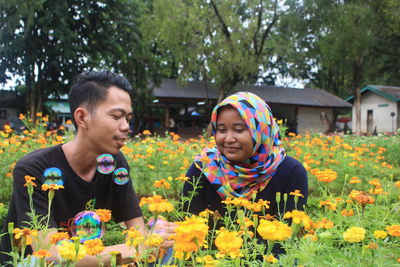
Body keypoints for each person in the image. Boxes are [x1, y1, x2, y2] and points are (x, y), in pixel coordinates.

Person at [0, 71, 174, 266]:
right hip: (30, 264)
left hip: (89, 261)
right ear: (82, 118)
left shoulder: (115, 163)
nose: (126, 126)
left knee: (169, 244)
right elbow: (49, 254)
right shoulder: (33, 169)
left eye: (128, 118)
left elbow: (138, 233)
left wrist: (146, 245)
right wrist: (133, 250)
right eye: (116, 116)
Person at [183, 91, 308, 254]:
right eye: (221, 130)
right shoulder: (203, 168)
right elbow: (188, 230)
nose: (228, 138)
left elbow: (286, 243)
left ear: (261, 130)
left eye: (239, 130)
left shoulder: (290, 172)